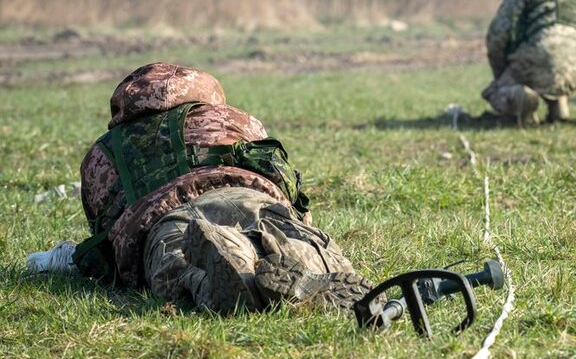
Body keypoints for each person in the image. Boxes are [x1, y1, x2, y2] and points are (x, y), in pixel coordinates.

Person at [28, 63, 373, 314]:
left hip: (166, 222)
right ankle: (315, 266)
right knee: (291, 233)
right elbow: (279, 174)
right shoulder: (236, 120)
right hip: (249, 196)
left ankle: (221, 271)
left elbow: (103, 236)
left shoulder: (103, 153)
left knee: (178, 268)